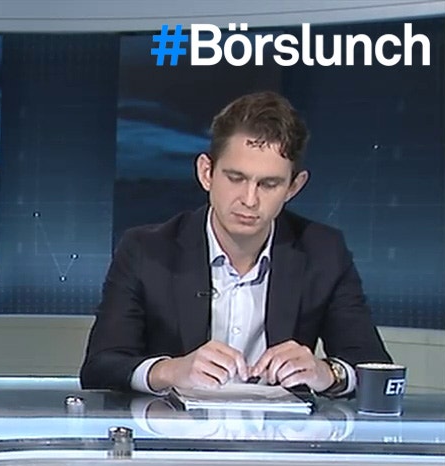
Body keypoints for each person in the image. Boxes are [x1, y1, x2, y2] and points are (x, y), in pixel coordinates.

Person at [80, 91, 391, 395]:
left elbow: (374, 367)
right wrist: (171, 370)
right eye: (236, 178)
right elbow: (100, 367)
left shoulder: (323, 252)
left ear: (293, 187)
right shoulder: (146, 250)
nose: (249, 200)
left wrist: (327, 373)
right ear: (207, 173)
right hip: (172, 425)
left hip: (280, 427)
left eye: (268, 184)